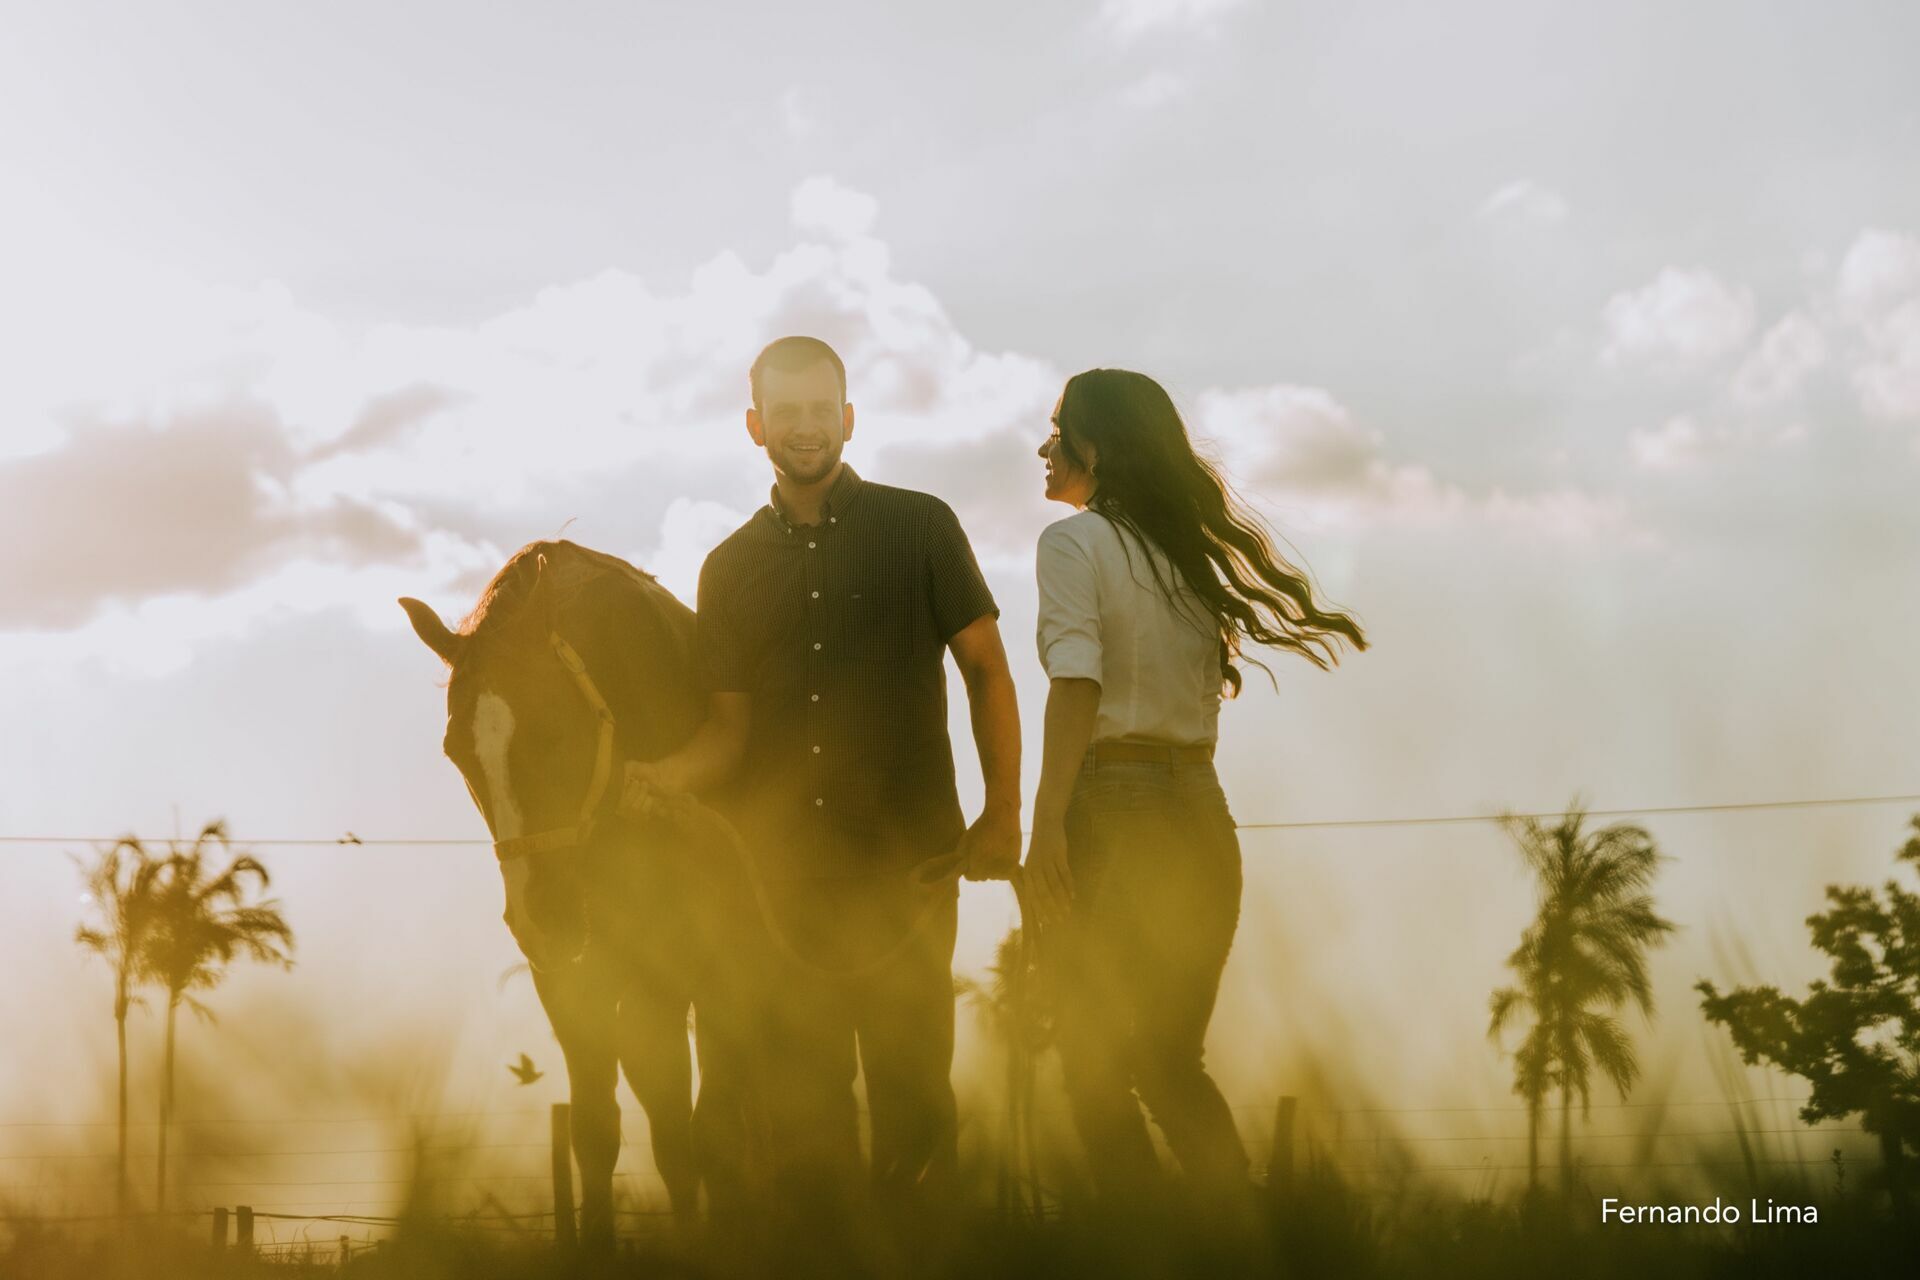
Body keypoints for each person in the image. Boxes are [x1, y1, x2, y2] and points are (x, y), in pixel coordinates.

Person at [628, 335, 1023, 1209]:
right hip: (783, 888)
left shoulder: (920, 525)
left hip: (910, 870)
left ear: (847, 419)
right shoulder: (727, 568)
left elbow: (987, 670)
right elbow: (729, 734)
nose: (805, 428)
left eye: (821, 410)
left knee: (915, 1104)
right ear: (754, 424)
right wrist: (657, 777)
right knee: (808, 1118)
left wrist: (1003, 815)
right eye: (787, 412)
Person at [1024, 368, 1366, 1208]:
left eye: (1057, 429)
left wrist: (1046, 827)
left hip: (1112, 808)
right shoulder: (1185, 563)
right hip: (1202, 817)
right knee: (1171, 1061)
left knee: (1094, 1061)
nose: (1044, 445)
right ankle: (1237, 1236)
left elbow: (1077, 685)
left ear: (1093, 448)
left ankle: (1145, 1247)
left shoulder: (1071, 546)